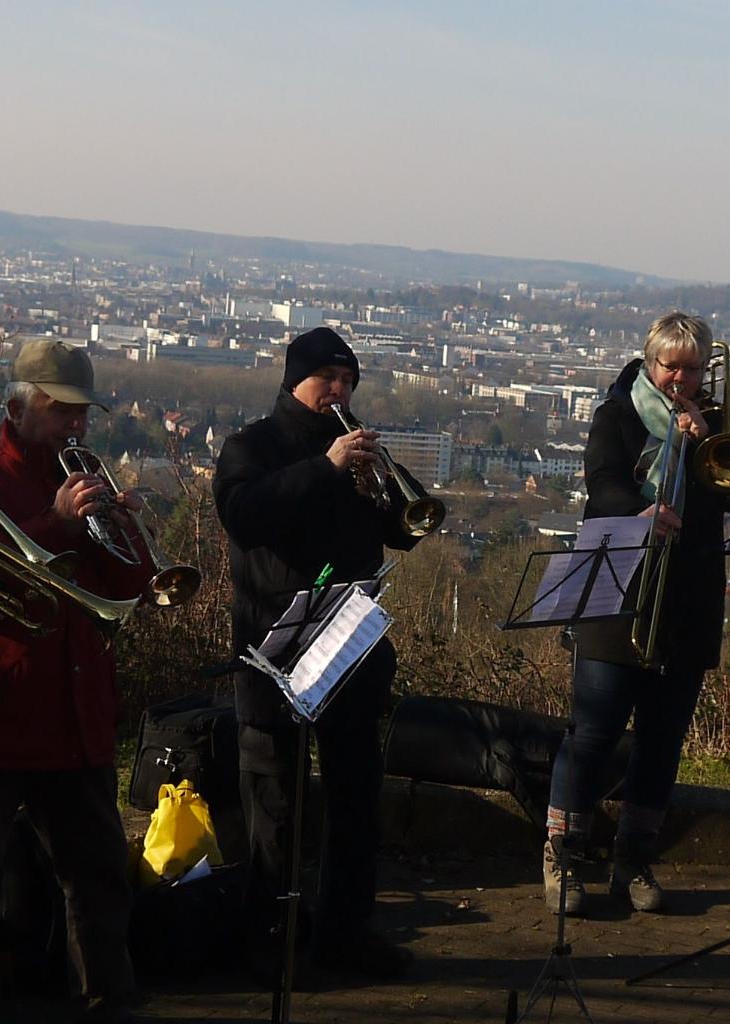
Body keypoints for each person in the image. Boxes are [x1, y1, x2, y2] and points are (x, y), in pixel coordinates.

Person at [213, 326, 429, 981]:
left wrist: (383, 498)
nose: (338, 391)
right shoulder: (253, 445)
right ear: (294, 380)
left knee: (355, 799)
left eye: (347, 380)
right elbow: (244, 514)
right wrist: (326, 469)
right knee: (274, 805)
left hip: (349, 645)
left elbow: (405, 533)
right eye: (326, 379)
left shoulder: (358, 448)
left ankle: (345, 936)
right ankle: (268, 941)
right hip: (275, 645)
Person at [0, 339, 153, 1023]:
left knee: (100, 884)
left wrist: (117, 528)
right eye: (63, 411)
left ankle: (109, 1005)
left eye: (82, 415)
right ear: (22, 404)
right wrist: (55, 523)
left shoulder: (87, 479)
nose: (77, 427)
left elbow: (130, 586)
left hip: (76, 716)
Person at [542, 311, 730, 916]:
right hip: (620, 590)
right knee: (592, 732)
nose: (682, 380)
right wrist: (637, 514)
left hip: (687, 597)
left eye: (693, 370)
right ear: (649, 361)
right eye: (671, 367)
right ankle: (563, 855)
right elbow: (602, 483)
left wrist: (699, 447)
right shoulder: (618, 414)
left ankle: (633, 862)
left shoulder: (712, 425)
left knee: (663, 741)